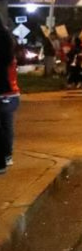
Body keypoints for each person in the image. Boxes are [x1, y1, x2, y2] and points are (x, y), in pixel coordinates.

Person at [1, 24, 20, 175]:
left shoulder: (5, 59)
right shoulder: (10, 57)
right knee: (6, 126)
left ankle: (5, 156)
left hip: (6, 93)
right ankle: (7, 155)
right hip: (11, 95)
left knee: (5, 128)